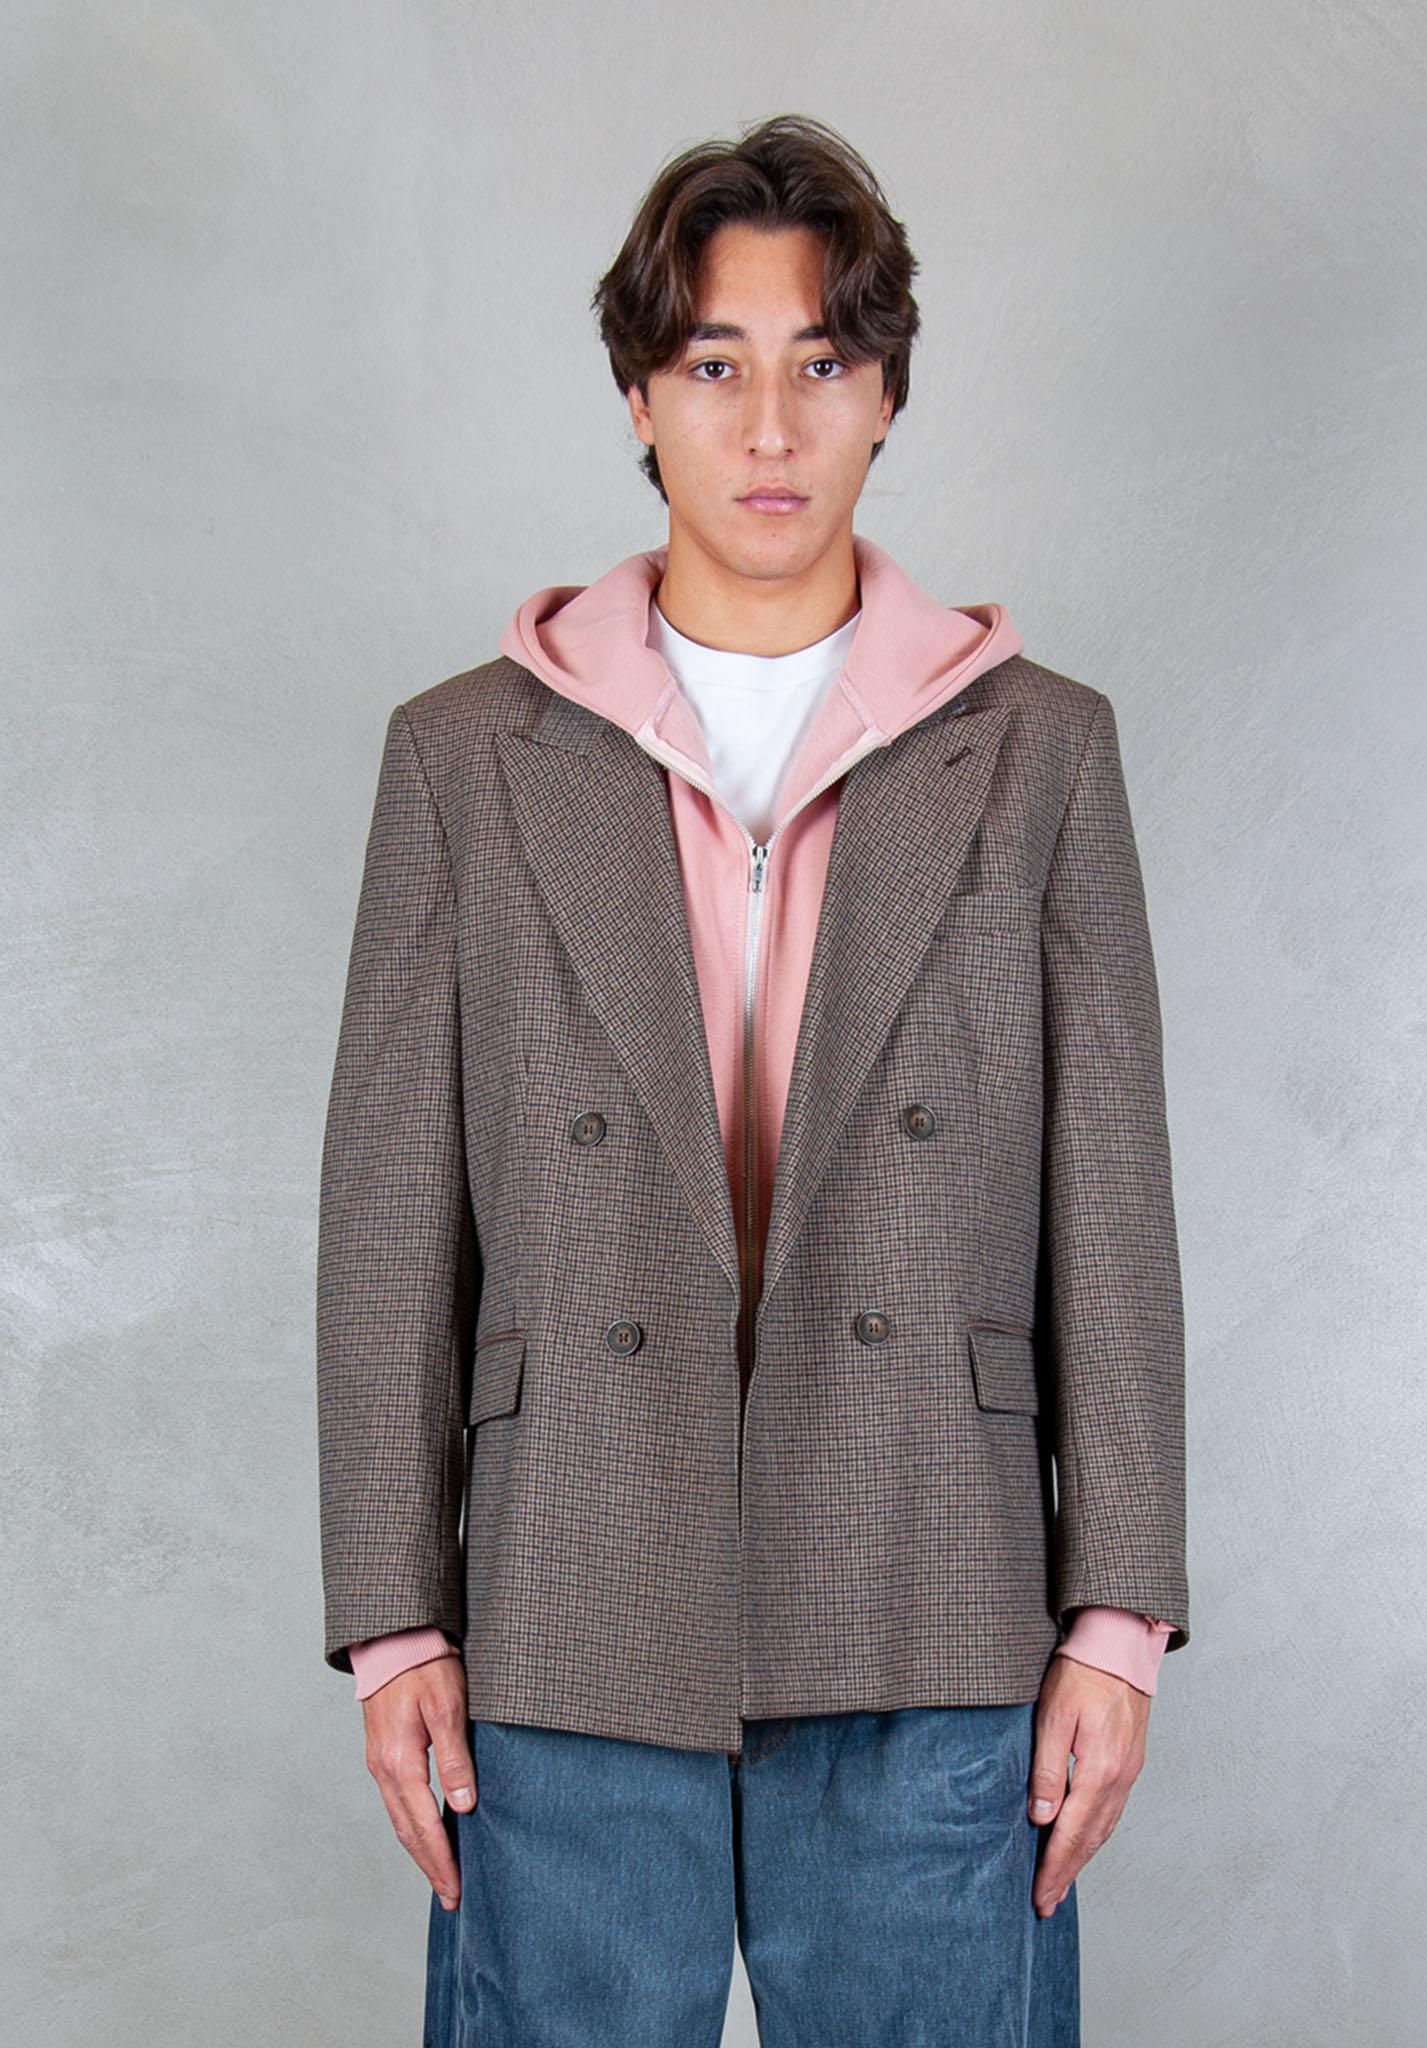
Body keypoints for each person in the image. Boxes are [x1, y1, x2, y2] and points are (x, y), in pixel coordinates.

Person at [317, 112, 1188, 2046]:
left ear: (886, 395)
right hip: (565, 1585)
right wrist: (393, 1618)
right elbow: (388, 1220)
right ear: (640, 396)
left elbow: (1109, 1209)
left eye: (822, 363)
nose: (771, 425)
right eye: (715, 366)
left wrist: (1117, 1620)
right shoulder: (462, 759)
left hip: (931, 1574)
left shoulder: (1040, 750)